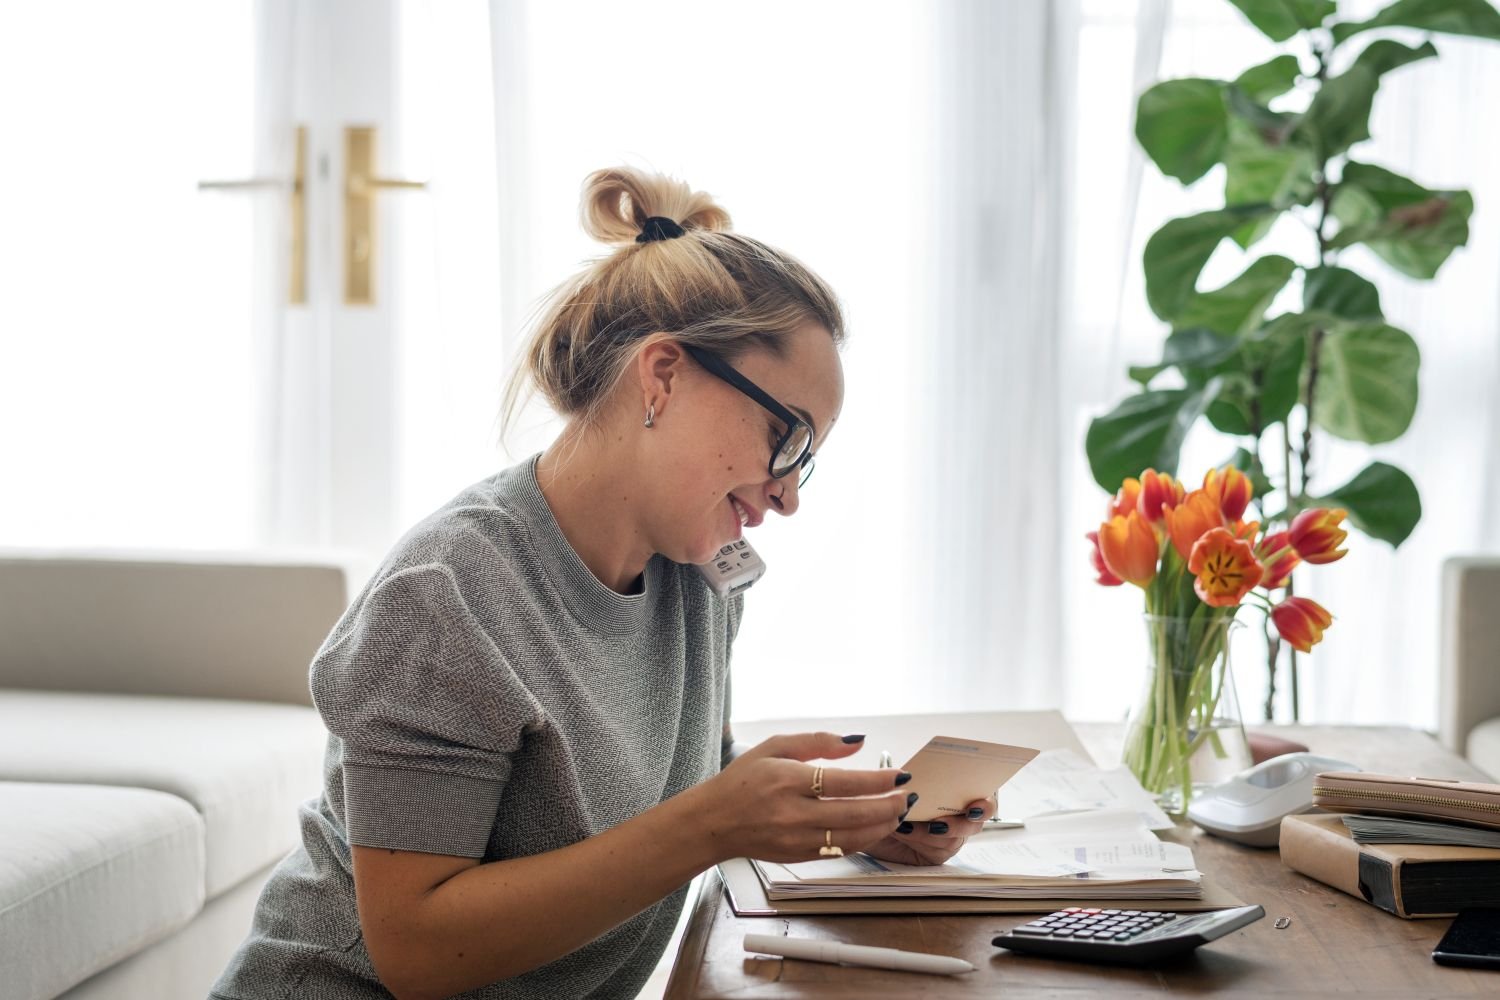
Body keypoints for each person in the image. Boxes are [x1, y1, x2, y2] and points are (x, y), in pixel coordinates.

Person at [210, 167, 996, 1000]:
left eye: (807, 458)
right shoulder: (447, 596)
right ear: (661, 376)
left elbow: (656, 787)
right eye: (786, 437)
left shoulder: (699, 577)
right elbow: (416, 951)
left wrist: (853, 826)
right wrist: (716, 821)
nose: (789, 492)